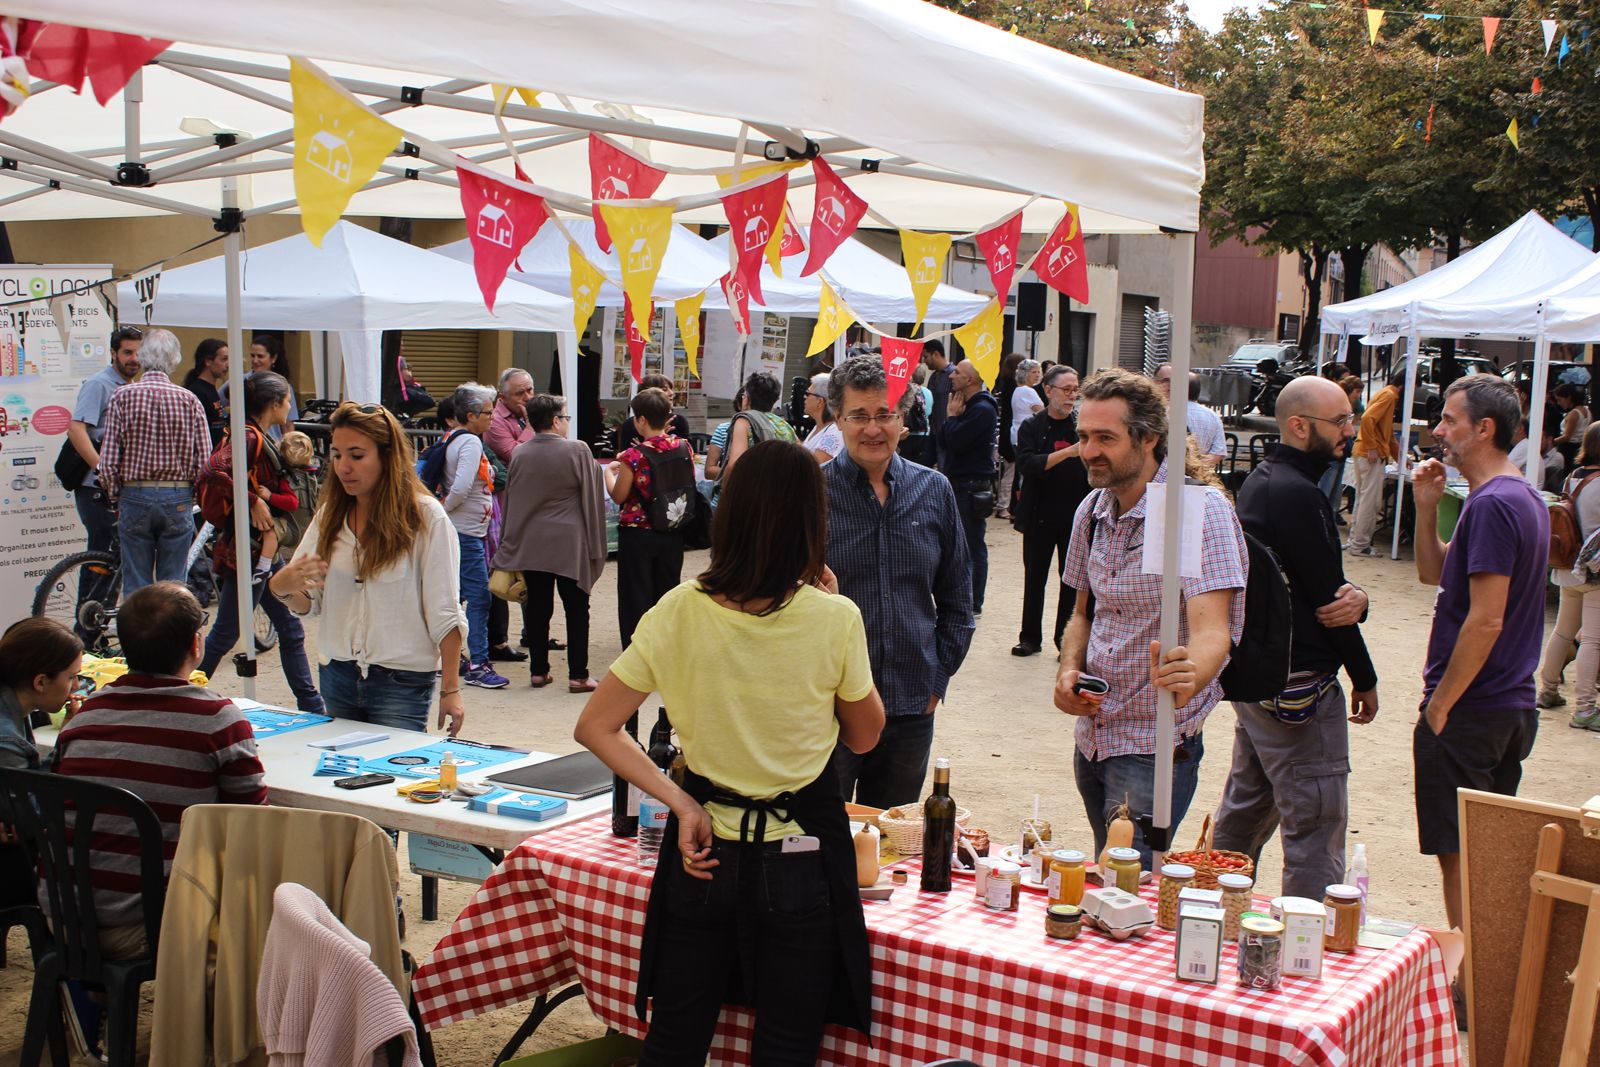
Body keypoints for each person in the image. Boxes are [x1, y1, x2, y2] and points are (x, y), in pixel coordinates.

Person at [575, 439, 884, 1065]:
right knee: (788, 1045)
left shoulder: (679, 609)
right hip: (800, 851)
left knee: (674, 1037)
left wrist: (681, 803)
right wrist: (831, 607)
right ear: (809, 521)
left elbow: (597, 726)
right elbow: (865, 734)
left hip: (704, 847)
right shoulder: (833, 616)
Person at [1052, 368, 1248, 865]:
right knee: (1107, 870)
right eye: (1083, 437)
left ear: (1149, 438)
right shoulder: (1092, 510)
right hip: (1095, 733)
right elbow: (1082, 613)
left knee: (1127, 881)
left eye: (1105, 438)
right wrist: (1068, 669)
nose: (1089, 450)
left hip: (1153, 739)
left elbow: (1213, 631)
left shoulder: (1190, 510)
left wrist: (1190, 672)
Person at [1211, 377, 1379, 900]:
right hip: (1297, 687)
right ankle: (1303, 952)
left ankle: (1211, 912)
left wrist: (1356, 599)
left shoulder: (1264, 480)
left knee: (1246, 809)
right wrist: (1365, 677)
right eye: (1341, 421)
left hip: (1263, 681)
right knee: (1313, 823)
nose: (1350, 431)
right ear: (1299, 426)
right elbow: (1332, 603)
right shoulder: (1296, 492)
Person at [53, 582, 267, 958]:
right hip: (147, 924)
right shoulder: (216, 720)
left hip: (63, 913)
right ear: (196, 646)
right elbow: (251, 823)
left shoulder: (86, 715)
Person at [1411, 374, 1547, 931]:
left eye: (1450, 419)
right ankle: (1482, 980)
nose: (1440, 431)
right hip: (1506, 707)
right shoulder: (1512, 496)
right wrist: (1426, 507)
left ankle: (1471, 984)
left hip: (1474, 709)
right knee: (1479, 856)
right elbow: (1433, 574)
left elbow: (1485, 619)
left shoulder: (1495, 503)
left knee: (1461, 859)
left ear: (1483, 429)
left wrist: (1439, 707)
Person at [824, 356, 974, 808]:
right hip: (829, 709)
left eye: (885, 414)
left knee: (892, 844)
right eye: (860, 416)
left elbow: (957, 601)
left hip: (911, 707)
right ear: (838, 419)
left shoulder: (934, 490)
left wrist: (935, 682)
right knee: (821, 837)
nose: (874, 429)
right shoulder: (810, 494)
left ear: (902, 418)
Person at [269, 402, 468, 736]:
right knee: (338, 781)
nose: (344, 466)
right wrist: (283, 587)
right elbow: (309, 603)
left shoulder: (426, 518)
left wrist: (451, 688)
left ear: (387, 456)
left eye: (357, 455)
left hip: (401, 682)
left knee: (392, 782)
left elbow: (445, 612)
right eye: (336, 455)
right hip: (337, 675)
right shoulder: (330, 515)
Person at [197, 373, 325, 713]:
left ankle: (312, 704)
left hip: (255, 549)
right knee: (225, 634)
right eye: (287, 400)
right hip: (248, 550)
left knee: (289, 628)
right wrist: (253, 499)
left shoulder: (255, 434)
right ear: (274, 403)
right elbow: (212, 470)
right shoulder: (249, 435)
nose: (289, 406)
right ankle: (183, 693)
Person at [495, 394, 608, 692]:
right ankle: (578, 674)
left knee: (537, 606)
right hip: (569, 541)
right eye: (565, 417)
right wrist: (596, 543)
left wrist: (510, 541)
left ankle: (538, 671)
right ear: (556, 420)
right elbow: (591, 496)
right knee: (576, 606)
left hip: (532, 540)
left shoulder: (520, 453)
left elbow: (514, 500)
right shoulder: (577, 450)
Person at [97, 328, 211, 596]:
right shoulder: (189, 400)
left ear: (143, 357)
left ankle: (138, 635)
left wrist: (114, 493)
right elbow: (204, 460)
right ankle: (172, 634)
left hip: (135, 492)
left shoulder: (122, 396)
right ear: (174, 361)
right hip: (177, 495)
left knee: (136, 580)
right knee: (173, 585)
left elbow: (110, 458)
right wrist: (193, 493)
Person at [0, 617, 83, 911]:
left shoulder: (12, 705)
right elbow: (32, 817)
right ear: (40, 681)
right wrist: (68, 741)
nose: (77, 685)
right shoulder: (7, 741)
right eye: (72, 677)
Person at [608, 388, 693, 648]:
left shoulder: (632, 457)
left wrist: (608, 475)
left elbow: (620, 495)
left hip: (638, 532)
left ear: (642, 420)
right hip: (672, 528)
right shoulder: (684, 446)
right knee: (666, 593)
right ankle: (665, 651)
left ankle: (637, 655)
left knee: (635, 596)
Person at [1012, 365, 1088, 657]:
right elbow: (1027, 465)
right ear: (1048, 390)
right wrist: (1068, 453)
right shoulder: (1032, 426)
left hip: (1075, 517)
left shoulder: (1080, 427)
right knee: (1035, 579)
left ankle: (1064, 641)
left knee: (1071, 582)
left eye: (1075, 389)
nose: (1071, 396)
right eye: (1066, 389)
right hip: (1038, 514)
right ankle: (1030, 637)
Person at [439, 383, 509, 690]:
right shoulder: (469, 444)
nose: (492, 417)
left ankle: (449, 657)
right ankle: (478, 664)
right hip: (465, 532)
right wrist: (443, 512)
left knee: (457, 596)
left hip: (467, 531)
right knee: (479, 597)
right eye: (487, 413)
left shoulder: (458, 439)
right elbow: (461, 487)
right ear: (470, 415)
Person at [1539, 423, 1600, 725]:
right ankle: (1586, 709)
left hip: (1569, 566)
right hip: (1594, 572)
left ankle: (1547, 689)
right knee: (1592, 639)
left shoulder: (1574, 476)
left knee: (1563, 631)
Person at [67, 326, 141, 562]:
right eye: (127, 353)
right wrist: (102, 470)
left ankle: (105, 601)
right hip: (95, 488)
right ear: (113, 353)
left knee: (116, 559)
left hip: (120, 487)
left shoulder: (132, 386)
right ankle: (88, 601)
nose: (134, 359)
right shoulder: (99, 384)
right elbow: (76, 429)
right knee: (100, 557)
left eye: (138, 353)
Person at [481, 368, 537, 663]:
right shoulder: (495, 422)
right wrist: (535, 425)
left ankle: (534, 631)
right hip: (504, 509)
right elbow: (516, 454)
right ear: (502, 397)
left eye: (530, 391)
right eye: (520, 393)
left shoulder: (520, 416)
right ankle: (498, 641)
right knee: (500, 572)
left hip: (530, 505)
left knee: (534, 570)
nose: (528, 397)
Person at [939, 358, 999, 616]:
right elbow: (943, 438)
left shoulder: (982, 409)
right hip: (960, 484)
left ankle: (974, 601)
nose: (952, 376)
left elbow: (955, 441)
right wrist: (951, 420)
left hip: (971, 487)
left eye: (958, 373)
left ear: (971, 380)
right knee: (956, 545)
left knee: (972, 545)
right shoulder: (970, 406)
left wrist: (952, 418)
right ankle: (961, 596)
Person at [1347, 364, 1408, 557]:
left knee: (1362, 498)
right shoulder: (1389, 396)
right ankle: (1360, 544)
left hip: (1364, 451)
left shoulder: (1386, 394)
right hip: (1369, 453)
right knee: (1370, 501)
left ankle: (1355, 541)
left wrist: (1398, 455)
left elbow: (1386, 432)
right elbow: (1368, 419)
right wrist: (1373, 446)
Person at [719, 371, 796, 483]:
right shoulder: (784, 425)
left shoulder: (744, 422)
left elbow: (734, 465)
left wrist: (725, 493)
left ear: (746, 398)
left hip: (752, 492)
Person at [1153, 363, 1226, 468]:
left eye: (1175, 380)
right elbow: (1218, 453)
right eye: (1165, 381)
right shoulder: (1150, 411)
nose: (1171, 385)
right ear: (1154, 382)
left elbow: (1219, 452)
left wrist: (1191, 469)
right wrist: (1198, 467)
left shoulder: (1169, 412)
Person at [1001, 358, 1043, 518]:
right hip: (1025, 436)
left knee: (1020, 474)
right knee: (1025, 475)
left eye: (1038, 372)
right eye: (1034, 372)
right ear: (1025, 374)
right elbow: (1042, 412)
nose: (1037, 375)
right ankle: (1022, 508)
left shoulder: (1018, 390)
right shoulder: (1028, 391)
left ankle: (1017, 508)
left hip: (1016, 434)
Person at [614, 373, 693, 454]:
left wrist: (663, 440)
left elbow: (688, 453)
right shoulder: (630, 424)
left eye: (671, 388)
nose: (671, 393)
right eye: (664, 389)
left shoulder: (679, 421)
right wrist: (652, 443)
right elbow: (625, 456)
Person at [248, 334, 298, 439]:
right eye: (252, 356)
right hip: (252, 439)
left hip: (274, 443)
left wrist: (288, 449)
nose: (255, 360)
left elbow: (288, 425)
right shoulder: (241, 381)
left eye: (260, 356)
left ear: (273, 358)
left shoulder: (283, 386)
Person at [182, 338, 230, 448]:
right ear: (208, 361)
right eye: (223, 359)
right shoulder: (197, 391)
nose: (227, 365)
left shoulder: (211, 389)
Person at [702, 386, 746, 485]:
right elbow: (709, 471)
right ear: (739, 404)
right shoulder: (724, 429)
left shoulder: (772, 430)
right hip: (727, 492)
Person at [921, 339, 956, 463]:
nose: (924, 361)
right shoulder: (934, 376)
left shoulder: (954, 375)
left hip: (946, 433)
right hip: (933, 432)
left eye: (926, 356)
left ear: (935, 354)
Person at [1508, 417, 1564, 492]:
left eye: (1510, 426)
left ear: (1520, 428)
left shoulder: (1524, 446)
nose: (1507, 431)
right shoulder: (1525, 445)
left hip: (1527, 493)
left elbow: (1500, 470)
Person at [801, 372, 843, 463]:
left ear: (820, 402)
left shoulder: (835, 431)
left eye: (808, 393)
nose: (804, 397)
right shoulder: (818, 427)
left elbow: (816, 467)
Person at [1555, 381, 1592, 469]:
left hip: (1568, 449)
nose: (1559, 403)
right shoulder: (1587, 411)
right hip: (1581, 446)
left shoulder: (1573, 414)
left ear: (1569, 398)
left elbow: (1567, 436)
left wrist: (1553, 442)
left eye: (1560, 400)